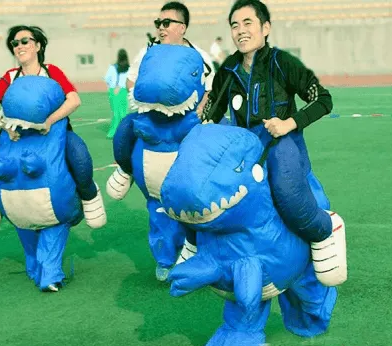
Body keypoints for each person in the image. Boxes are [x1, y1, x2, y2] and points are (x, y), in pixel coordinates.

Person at [197, 0, 337, 260]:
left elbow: (323, 100)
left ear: (265, 28)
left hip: (283, 153)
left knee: (289, 198)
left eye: (247, 23)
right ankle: (197, 247)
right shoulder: (228, 69)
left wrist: (287, 124)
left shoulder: (282, 62)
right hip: (245, 160)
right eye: (235, 25)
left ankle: (326, 234)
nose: (241, 30)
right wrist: (202, 121)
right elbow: (212, 113)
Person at [0, 25, 106, 234]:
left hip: (52, 136)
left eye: (24, 41)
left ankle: (89, 196)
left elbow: (74, 100)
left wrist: (50, 121)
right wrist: (5, 126)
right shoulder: (10, 77)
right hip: (17, 140)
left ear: (38, 46)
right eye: (15, 43)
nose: (19, 46)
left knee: (78, 154)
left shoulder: (51, 72)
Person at [125, 1, 215, 117]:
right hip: (153, 118)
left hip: (187, 119)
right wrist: (149, 102)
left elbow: (210, 89)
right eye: (158, 23)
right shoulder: (147, 52)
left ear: (182, 28)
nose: (161, 27)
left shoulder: (200, 56)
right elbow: (130, 80)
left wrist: (199, 109)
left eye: (166, 23)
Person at [103, 49, 129, 139]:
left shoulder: (113, 67)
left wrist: (113, 86)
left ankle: (113, 132)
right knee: (124, 112)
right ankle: (125, 132)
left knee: (116, 113)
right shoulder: (129, 68)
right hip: (124, 91)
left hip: (114, 91)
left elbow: (107, 78)